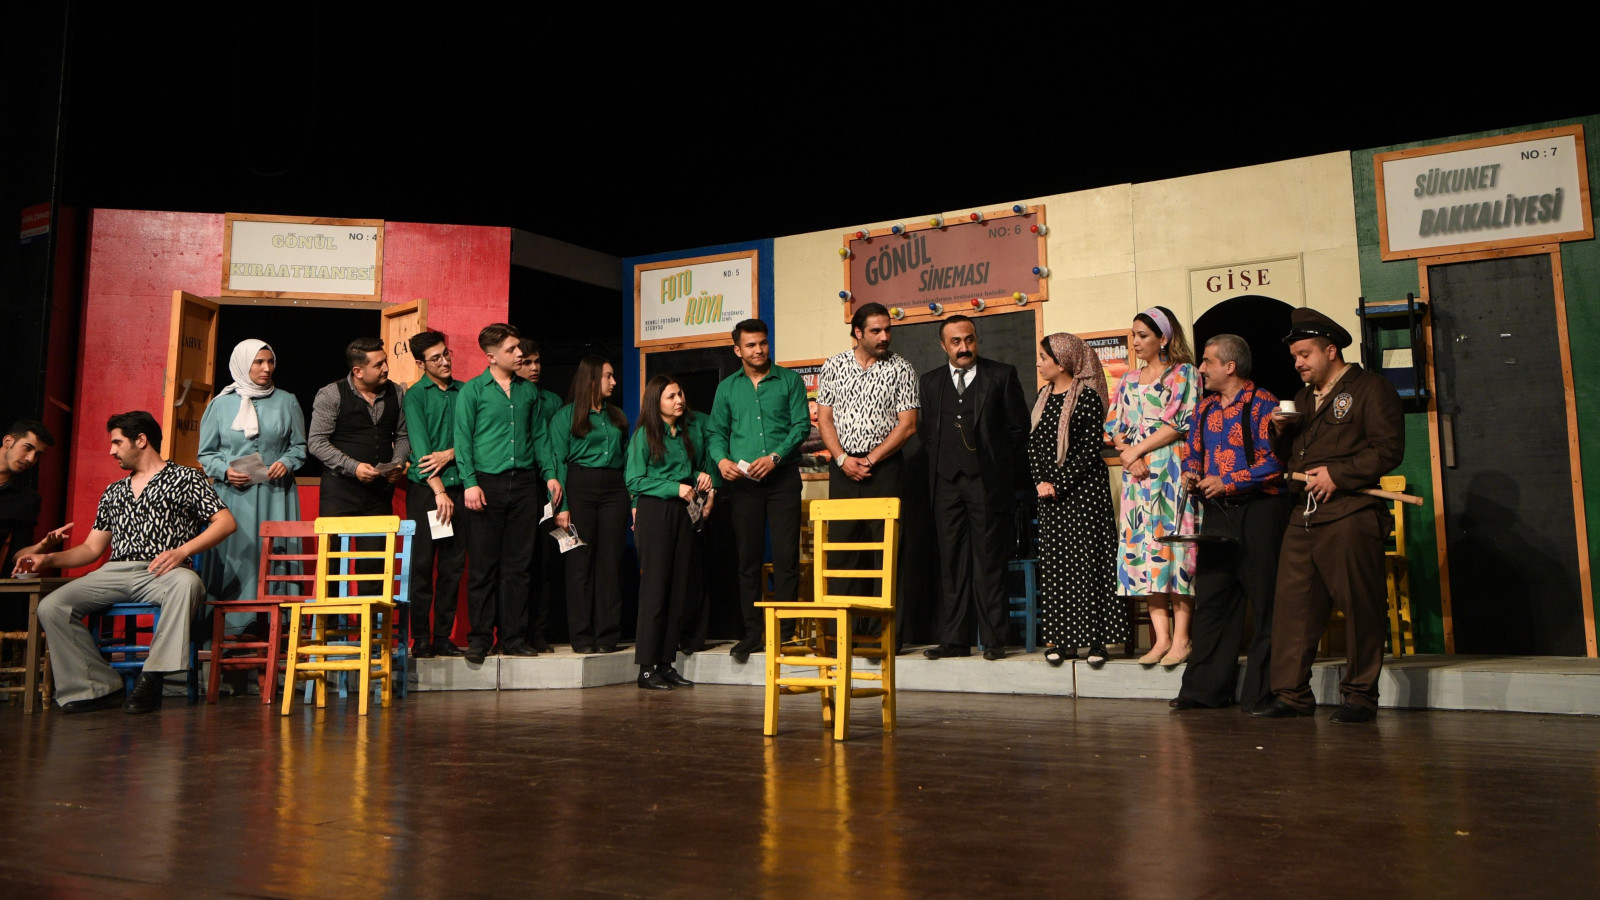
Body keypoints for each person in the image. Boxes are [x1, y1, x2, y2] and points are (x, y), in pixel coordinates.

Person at [16, 411, 235, 714]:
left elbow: (225, 522)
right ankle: (97, 687)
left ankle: (153, 677)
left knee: (188, 584)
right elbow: (91, 548)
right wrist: (48, 558)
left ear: (141, 440)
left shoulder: (186, 478)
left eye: (117, 442)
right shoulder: (114, 491)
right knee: (52, 606)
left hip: (162, 571)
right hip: (115, 571)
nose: (111, 450)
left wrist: (181, 551)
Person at [1251, 308, 1404, 724]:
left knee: (1359, 605)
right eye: (1294, 357)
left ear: (1330, 351)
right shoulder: (1302, 399)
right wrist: (1279, 432)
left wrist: (1339, 474)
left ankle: (1359, 696)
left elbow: (1388, 448)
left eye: (1305, 355)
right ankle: (1291, 694)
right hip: (1304, 514)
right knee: (1293, 605)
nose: (1298, 364)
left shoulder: (1371, 389)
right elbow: (1291, 457)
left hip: (1350, 512)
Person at [1171, 334, 1289, 711]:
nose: (1201, 368)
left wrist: (1228, 481)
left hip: (1260, 510)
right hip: (1218, 513)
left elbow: (1276, 462)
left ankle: (1261, 693)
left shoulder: (1263, 404)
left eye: (1207, 361)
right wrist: (1191, 474)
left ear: (1230, 366)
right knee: (1213, 599)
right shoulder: (1205, 408)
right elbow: (1193, 453)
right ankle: (1203, 690)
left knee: (1265, 600)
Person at [918, 315, 1030, 662]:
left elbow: (1019, 430)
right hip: (946, 485)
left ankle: (994, 639)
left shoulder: (1001, 374)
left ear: (976, 339)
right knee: (951, 563)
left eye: (969, 339)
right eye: (956, 341)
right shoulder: (930, 381)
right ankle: (954, 640)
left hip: (987, 484)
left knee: (988, 562)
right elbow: (927, 433)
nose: (964, 347)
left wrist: (995, 467)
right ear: (943, 345)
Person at [707, 318, 810, 664]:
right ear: (737, 350)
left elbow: (801, 426)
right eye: (751, 345)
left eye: (763, 343)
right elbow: (715, 432)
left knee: (785, 559)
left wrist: (775, 457)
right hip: (744, 484)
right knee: (748, 560)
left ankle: (786, 634)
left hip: (782, 480)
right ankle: (752, 633)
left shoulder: (790, 380)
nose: (759, 350)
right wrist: (721, 460)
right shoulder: (727, 388)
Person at [816, 303, 919, 635]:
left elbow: (908, 424)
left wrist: (871, 459)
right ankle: (842, 634)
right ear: (858, 332)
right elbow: (824, 419)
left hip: (884, 469)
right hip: (843, 468)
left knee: (886, 552)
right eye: (876, 330)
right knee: (843, 550)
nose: (884, 336)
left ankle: (884, 635)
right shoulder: (834, 366)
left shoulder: (902, 368)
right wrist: (842, 459)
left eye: (887, 329)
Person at [1104, 306, 1199, 666]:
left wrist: (1138, 450)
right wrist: (1129, 454)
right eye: (1133, 335)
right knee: (1145, 553)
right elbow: (1114, 425)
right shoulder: (1129, 379)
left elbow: (1181, 422)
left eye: (1143, 335)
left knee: (1175, 551)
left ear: (1163, 338)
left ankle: (1182, 639)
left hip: (1171, 471)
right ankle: (1161, 640)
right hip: (1138, 477)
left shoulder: (1183, 373)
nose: (1136, 341)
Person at [196, 340, 306, 636]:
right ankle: (231, 628)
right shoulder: (220, 404)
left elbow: (299, 446)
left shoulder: (287, 401)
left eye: (270, 362)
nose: (266, 368)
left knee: (275, 553)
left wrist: (286, 461)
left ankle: (277, 628)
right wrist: (225, 471)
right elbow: (206, 454)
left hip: (276, 494)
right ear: (243, 364)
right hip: (234, 496)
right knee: (238, 555)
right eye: (259, 362)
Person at [454, 323, 546, 664]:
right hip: (486, 484)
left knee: (518, 566)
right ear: (491, 357)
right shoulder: (473, 391)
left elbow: (540, 437)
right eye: (511, 349)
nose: (519, 354)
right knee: (483, 566)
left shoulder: (528, 391)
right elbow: (462, 439)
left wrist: (550, 475)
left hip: (523, 483)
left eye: (518, 347)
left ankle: (514, 637)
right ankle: (480, 638)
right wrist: (469, 482)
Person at [1030, 333, 1123, 667]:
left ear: (1062, 362)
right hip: (1050, 497)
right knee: (1057, 568)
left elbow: (1087, 449)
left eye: (1044, 358)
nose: (1039, 363)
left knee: (1088, 564)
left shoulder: (1087, 398)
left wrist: (1058, 483)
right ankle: (1063, 640)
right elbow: (1034, 444)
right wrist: (1041, 480)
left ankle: (1096, 641)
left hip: (1084, 493)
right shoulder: (1042, 397)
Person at [626, 375, 719, 689]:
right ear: (657, 402)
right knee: (655, 591)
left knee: (678, 590)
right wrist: (674, 488)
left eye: (680, 394)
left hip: (683, 512)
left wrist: (701, 476)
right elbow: (634, 480)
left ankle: (666, 664)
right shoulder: (645, 435)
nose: (679, 401)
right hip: (656, 512)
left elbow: (687, 471)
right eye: (671, 396)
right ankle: (646, 668)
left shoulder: (684, 434)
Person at [549, 357, 630, 654]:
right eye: (608, 376)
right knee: (580, 563)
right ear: (592, 380)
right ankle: (582, 637)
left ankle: (607, 636)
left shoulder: (617, 416)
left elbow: (626, 459)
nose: (614, 382)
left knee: (610, 563)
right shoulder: (565, 417)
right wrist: (562, 507)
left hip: (613, 490)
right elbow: (557, 462)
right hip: (579, 487)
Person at [401, 331, 465, 659]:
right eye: (435, 358)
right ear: (420, 363)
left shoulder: (464, 391)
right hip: (428, 491)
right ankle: (421, 638)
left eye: (446, 354)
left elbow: (473, 440)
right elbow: (423, 451)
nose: (444, 361)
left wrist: (450, 453)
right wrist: (439, 490)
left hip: (459, 487)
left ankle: (442, 636)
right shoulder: (416, 396)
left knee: (453, 566)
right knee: (423, 565)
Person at [308, 337, 409, 517]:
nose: (386, 368)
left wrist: (398, 463)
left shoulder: (396, 392)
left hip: (380, 493)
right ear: (358, 371)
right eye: (378, 365)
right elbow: (316, 442)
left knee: (379, 537)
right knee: (336, 538)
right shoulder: (332, 394)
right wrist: (353, 467)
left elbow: (403, 435)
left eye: (385, 361)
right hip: (340, 492)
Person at [516, 336, 566, 653]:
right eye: (527, 362)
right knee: (518, 563)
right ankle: (513, 632)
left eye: (537, 362)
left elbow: (557, 449)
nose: (534, 368)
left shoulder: (552, 401)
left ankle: (539, 631)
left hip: (547, 487)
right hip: (519, 483)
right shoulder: (510, 397)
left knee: (545, 563)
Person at [0, 420, 55, 581]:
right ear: (8, 442)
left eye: (37, 454)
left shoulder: (27, 499)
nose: (31, 458)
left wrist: (44, 544)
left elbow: (17, 555)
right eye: (28, 448)